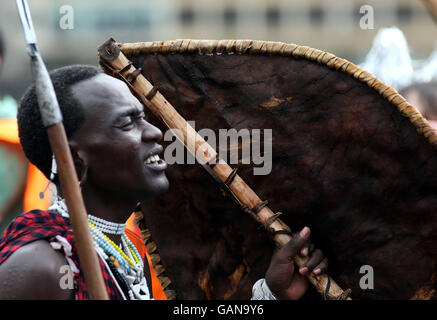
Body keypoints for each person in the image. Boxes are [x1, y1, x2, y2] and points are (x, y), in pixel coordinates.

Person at [0, 65, 328, 300]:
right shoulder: (42, 269)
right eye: (127, 122)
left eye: (143, 116)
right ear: (76, 160)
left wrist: (270, 293)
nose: (155, 132)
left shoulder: (129, 254)